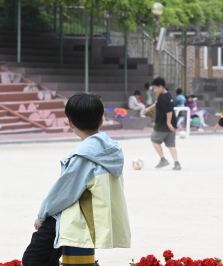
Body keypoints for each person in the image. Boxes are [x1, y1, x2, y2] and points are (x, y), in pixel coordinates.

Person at [22, 93, 131, 266]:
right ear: (101, 121)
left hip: (70, 219)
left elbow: (64, 192)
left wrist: (42, 215)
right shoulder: (111, 151)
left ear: (70, 122)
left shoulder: (83, 157)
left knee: (32, 259)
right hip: (91, 219)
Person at [143, 77, 181, 170]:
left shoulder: (163, 97)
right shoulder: (166, 95)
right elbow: (157, 103)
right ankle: (177, 163)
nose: (155, 90)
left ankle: (163, 159)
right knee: (171, 144)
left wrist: (168, 123)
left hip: (163, 125)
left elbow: (169, 111)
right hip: (172, 125)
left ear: (161, 87)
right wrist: (149, 108)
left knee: (154, 140)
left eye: (155, 88)